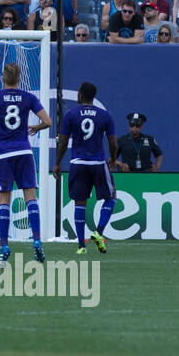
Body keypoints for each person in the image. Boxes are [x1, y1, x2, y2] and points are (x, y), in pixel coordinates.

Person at [0, 61, 52, 264]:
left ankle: (4, 247)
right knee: (30, 197)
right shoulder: (28, 97)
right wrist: (35, 128)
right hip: (24, 152)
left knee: (4, 199)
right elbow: (48, 122)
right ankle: (37, 240)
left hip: (3, 154)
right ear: (19, 79)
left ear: (2, 78)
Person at [51, 82, 116, 255]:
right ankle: (98, 233)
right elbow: (112, 142)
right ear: (93, 97)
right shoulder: (105, 115)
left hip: (78, 163)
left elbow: (63, 141)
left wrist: (57, 163)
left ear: (80, 95)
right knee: (111, 198)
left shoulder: (71, 114)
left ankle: (81, 246)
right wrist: (114, 159)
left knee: (80, 203)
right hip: (97, 163)